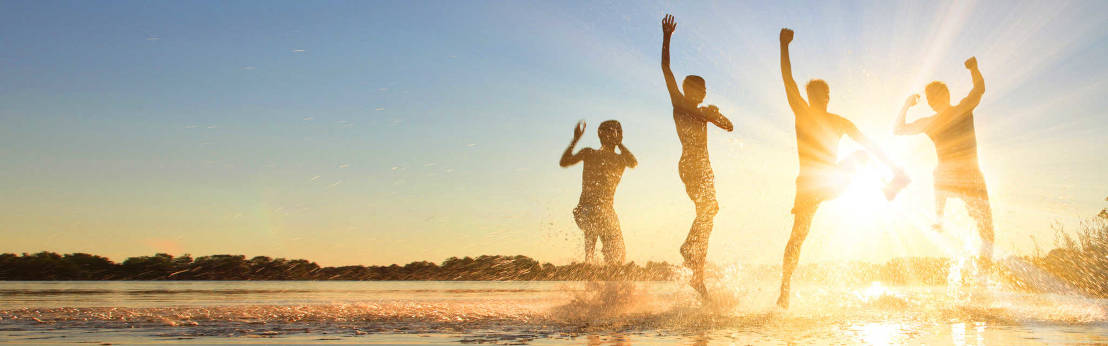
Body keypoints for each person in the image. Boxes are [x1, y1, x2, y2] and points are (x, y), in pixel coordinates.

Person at [776, 28, 909, 309]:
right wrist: (783, 46)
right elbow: (788, 80)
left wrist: (895, 168)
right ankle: (784, 290)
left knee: (861, 155)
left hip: (830, 179)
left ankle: (888, 187)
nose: (820, 100)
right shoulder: (802, 111)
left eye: (823, 96)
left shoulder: (839, 121)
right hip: (810, 185)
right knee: (798, 237)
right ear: (811, 97)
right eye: (816, 95)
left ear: (829, 97)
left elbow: (870, 145)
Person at [660, 14, 735, 298]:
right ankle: (689, 252)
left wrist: (717, 115)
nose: (701, 93)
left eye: (703, 91)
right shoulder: (679, 103)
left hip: (704, 167)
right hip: (690, 165)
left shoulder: (704, 112)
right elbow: (666, 68)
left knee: (709, 214)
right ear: (688, 88)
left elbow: (730, 127)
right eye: (697, 89)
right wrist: (667, 37)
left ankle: (697, 275)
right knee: (707, 213)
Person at [893, 56, 993, 266]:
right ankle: (940, 218)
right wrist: (974, 69)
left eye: (934, 97)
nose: (932, 101)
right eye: (931, 99)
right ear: (931, 103)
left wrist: (906, 106)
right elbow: (979, 90)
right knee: (986, 229)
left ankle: (940, 218)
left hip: (962, 177)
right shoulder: (944, 116)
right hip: (965, 177)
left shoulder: (948, 115)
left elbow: (979, 90)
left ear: (945, 96)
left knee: (986, 230)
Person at [560, 120, 637, 265]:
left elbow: (633, 162)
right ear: (601, 135)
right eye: (609, 132)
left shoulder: (621, 159)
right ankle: (588, 260)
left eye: (617, 132)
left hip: (607, 212)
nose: (613, 135)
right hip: (585, 210)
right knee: (597, 215)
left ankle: (602, 273)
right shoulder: (589, 153)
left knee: (618, 255)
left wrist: (620, 144)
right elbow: (564, 162)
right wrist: (575, 139)